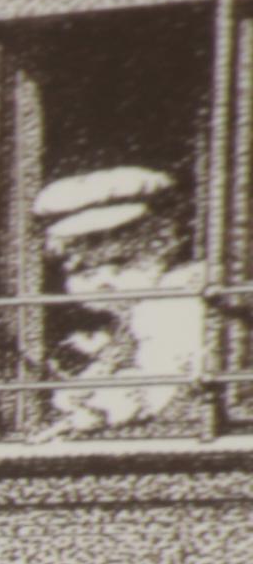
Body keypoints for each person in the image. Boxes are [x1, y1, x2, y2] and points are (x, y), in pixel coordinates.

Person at [30, 166, 210, 441]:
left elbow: (157, 382)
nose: (105, 281)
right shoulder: (133, 313)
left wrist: (93, 413)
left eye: (122, 262)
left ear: (163, 240)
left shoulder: (174, 300)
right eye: (85, 270)